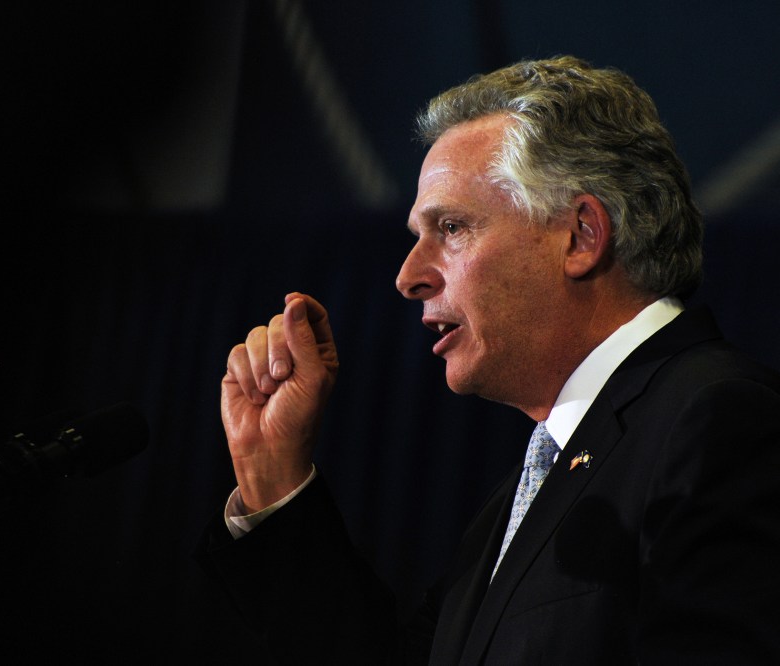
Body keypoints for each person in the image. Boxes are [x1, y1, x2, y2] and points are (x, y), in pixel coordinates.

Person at [195, 56, 780, 664]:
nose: (408, 278)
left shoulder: (721, 420)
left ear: (580, 236)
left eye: (451, 227)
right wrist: (274, 477)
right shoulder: (527, 491)